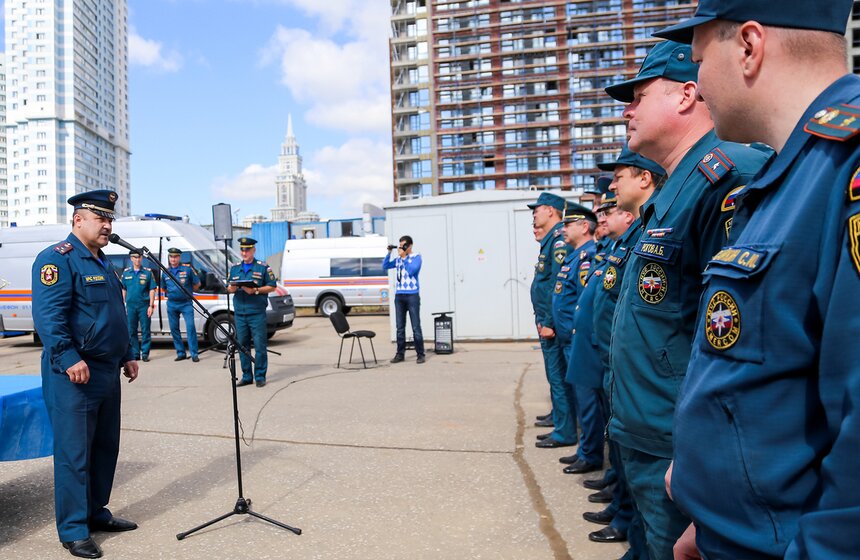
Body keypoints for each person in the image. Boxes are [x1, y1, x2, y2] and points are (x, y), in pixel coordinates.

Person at [654, 2, 860, 558]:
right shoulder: (787, 176)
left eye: (699, 60)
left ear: (749, 46)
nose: (698, 84)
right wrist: (712, 513)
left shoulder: (846, 167)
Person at [603, 40, 770, 560]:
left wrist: (711, 456)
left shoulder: (728, 177)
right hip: (647, 434)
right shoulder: (679, 188)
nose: (627, 111)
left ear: (685, 95)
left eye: (639, 96)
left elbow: (744, 340)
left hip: (683, 449)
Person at [32, 190, 139, 559]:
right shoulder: (57, 259)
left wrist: (127, 354)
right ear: (78, 220)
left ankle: (95, 512)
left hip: (107, 370)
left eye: (110, 219)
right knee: (74, 453)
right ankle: (74, 529)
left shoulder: (103, 262)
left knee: (105, 447)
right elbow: (49, 317)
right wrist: (67, 357)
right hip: (74, 374)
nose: (108, 225)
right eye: (101, 218)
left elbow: (114, 314)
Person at [540, 202, 596, 450]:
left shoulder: (586, 257)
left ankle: (588, 450)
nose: (563, 229)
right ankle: (585, 448)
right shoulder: (574, 256)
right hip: (566, 337)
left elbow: (583, 301)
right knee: (578, 393)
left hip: (576, 338)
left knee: (587, 398)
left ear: (584, 227)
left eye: (568, 224)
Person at [526, 192, 579, 447]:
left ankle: (564, 430)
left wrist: (548, 321)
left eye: (537, 210)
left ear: (550, 210)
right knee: (554, 374)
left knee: (558, 376)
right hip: (547, 319)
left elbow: (557, 287)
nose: (534, 215)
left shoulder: (558, 242)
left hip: (553, 323)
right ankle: (560, 418)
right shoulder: (551, 240)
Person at [227, 237, 277, 388]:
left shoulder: (262, 267)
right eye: (242, 250)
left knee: (260, 346)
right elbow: (229, 287)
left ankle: (260, 376)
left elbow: (272, 286)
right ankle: (247, 376)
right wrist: (232, 288)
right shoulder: (235, 268)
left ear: (253, 250)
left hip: (256, 313)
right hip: (240, 314)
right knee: (242, 346)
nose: (244, 253)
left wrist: (255, 290)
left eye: (247, 250)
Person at [383, 235, 425, 364]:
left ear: (410, 246)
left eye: (403, 245)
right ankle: (400, 354)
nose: (401, 248)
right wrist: (389, 253)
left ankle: (420, 354)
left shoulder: (416, 257)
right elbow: (385, 265)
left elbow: (412, 271)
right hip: (399, 296)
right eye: (400, 245)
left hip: (412, 295)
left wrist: (404, 258)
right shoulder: (398, 259)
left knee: (416, 327)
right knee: (400, 327)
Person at [163, 247, 201, 362]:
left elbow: (197, 284)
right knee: (174, 329)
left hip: (186, 303)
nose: (173, 259)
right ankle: (180, 353)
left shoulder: (187, 269)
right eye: (171, 257)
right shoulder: (165, 272)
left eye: (175, 257)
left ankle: (194, 354)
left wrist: (188, 293)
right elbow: (164, 288)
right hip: (172, 304)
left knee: (190, 327)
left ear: (179, 257)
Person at [120, 250, 156, 362]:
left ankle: (145, 353)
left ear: (142, 258)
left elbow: (152, 289)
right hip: (130, 306)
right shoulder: (126, 273)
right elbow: (123, 289)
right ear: (131, 258)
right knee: (131, 331)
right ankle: (135, 353)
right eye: (135, 257)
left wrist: (151, 306)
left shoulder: (147, 273)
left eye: (139, 257)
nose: (137, 259)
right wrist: (122, 305)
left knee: (146, 330)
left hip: (144, 306)